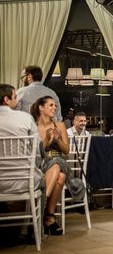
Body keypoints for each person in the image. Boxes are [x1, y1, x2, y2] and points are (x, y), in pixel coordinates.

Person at [31, 96, 69, 235]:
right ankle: (49, 217)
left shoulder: (59, 125)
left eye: (55, 106)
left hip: (58, 159)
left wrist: (58, 140)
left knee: (57, 165)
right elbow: (37, 152)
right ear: (41, 108)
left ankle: (41, 204)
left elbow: (66, 151)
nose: (54, 108)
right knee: (60, 177)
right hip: (40, 163)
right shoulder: (34, 126)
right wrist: (47, 139)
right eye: (51, 105)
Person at [0, 84, 43, 194]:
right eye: (15, 97)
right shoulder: (25, 117)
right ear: (6, 99)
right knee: (44, 181)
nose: (17, 100)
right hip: (25, 180)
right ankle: (37, 211)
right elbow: (38, 150)